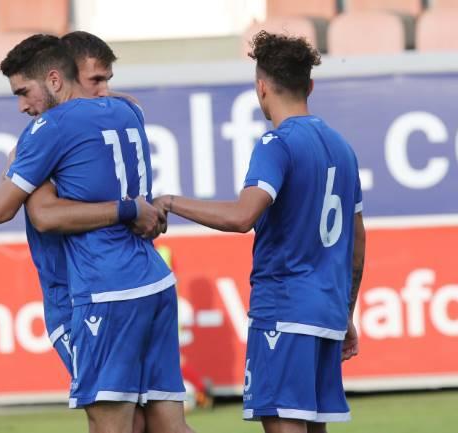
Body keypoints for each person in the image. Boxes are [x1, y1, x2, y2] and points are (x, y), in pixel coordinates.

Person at [154, 31, 366, 433]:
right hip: (326, 313)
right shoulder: (342, 148)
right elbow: (357, 243)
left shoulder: (277, 143)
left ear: (261, 87)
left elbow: (242, 216)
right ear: (310, 86)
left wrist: (169, 202)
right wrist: (346, 313)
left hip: (284, 311)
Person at [0, 34, 191, 433]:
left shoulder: (49, 129)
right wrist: (131, 208)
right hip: (153, 281)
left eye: (24, 92)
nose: (22, 105)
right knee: (167, 426)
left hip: (97, 292)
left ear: (55, 77)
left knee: (112, 426)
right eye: (97, 80)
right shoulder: (128, 112)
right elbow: (125, 102)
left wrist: (13, 162)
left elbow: (14, 211)